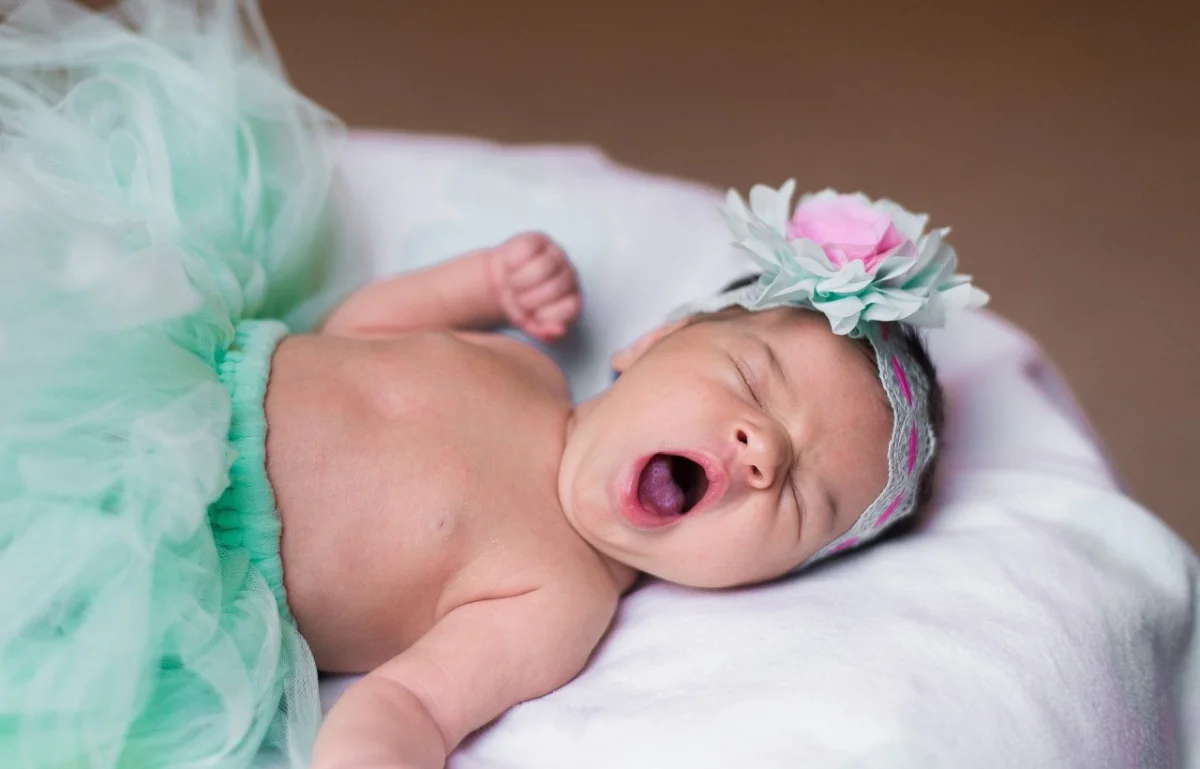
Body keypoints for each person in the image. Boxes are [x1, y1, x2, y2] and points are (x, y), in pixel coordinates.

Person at [0, 1, 986, 767]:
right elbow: (355, 333)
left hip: (154, 547)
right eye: (749, 380)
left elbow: (414, 702)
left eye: (804, 498)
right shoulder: (521, 362)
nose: (762, 448)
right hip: (157, 371)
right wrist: (477, 284)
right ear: (651, 342)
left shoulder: (560, 599)